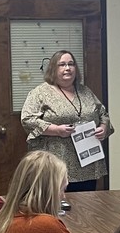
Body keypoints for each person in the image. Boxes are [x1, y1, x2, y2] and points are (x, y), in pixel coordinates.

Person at [21, 50, 113, 192]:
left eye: (71, 64)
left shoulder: (85, 92)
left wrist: (103, 127)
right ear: (53, 68)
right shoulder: (40, 93)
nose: (67, 68)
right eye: (62, 65)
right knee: (58, 207)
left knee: (86, 207)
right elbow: (27, 119)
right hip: (55, 163)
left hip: (87, 163)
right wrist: (56, 130)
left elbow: (103, 114)